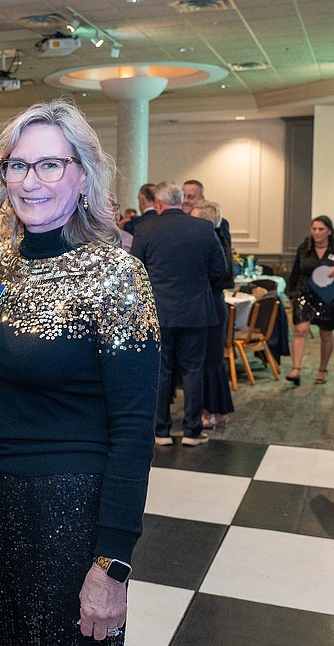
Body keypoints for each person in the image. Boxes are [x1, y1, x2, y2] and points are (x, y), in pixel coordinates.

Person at [0, 99, 160, 646]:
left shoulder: (117, 273)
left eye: (50, 164)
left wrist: (113, 562)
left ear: (83, 174)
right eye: (17, 165)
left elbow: (133, 427)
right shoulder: (0, 266)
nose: (31, 181)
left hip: (70, 514)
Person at [132, 181, 227, 447]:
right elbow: (220, 269)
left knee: (161, 370)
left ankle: (160, 431)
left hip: (159, 311)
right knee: (193, 370)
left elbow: (136, 270)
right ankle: (191, 431)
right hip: (196, 311)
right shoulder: (203, 228)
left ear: (159, 203)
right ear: (179, 200)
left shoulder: (145, 228)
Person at [191, 199, 234, 427]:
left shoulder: (214, 240)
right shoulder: (217, 239)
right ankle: (217, 409)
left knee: (210, 360)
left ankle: (209, 410)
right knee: (212, 360)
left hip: (212, 304)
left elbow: (221, 273)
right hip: (213, 303)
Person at [285, 215, 334, 386]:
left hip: (328, 295)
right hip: (304, 292)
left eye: (321, 229)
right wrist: (291, 294)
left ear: (329, 231)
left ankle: (322, 370)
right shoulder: (304, 248)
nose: (316, 232)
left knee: (326, 334)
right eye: (314, 229)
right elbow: (296, 271)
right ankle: (296, 369)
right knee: (301, 329)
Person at [182, 179, 231, 245]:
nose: (185, 200)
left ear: (202, 198)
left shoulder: (220, 223)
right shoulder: (177, 222)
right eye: (183, 196)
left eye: (191, 197)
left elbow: (225, 252)